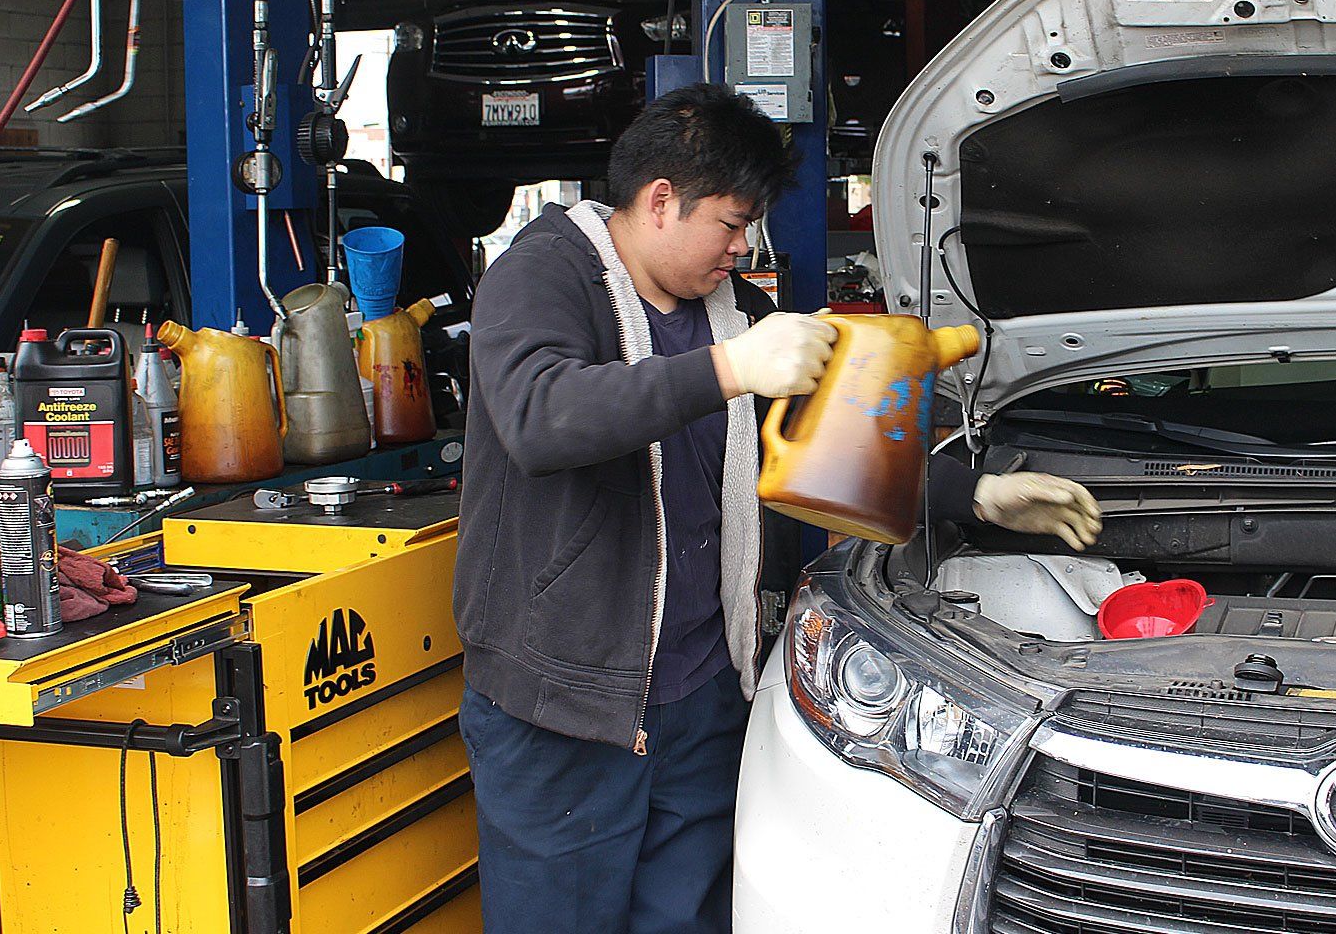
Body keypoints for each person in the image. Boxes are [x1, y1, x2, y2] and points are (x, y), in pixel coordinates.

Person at [453, 82, 1102, 934]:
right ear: (659, 202)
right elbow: (540, 418)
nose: (741, 246)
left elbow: (832, 445)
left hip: (701, 690)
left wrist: (973, 496)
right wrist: (729, 371)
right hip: (565, 703)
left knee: (685, 917)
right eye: (729, 222)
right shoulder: (543, 274)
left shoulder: (735, 313)